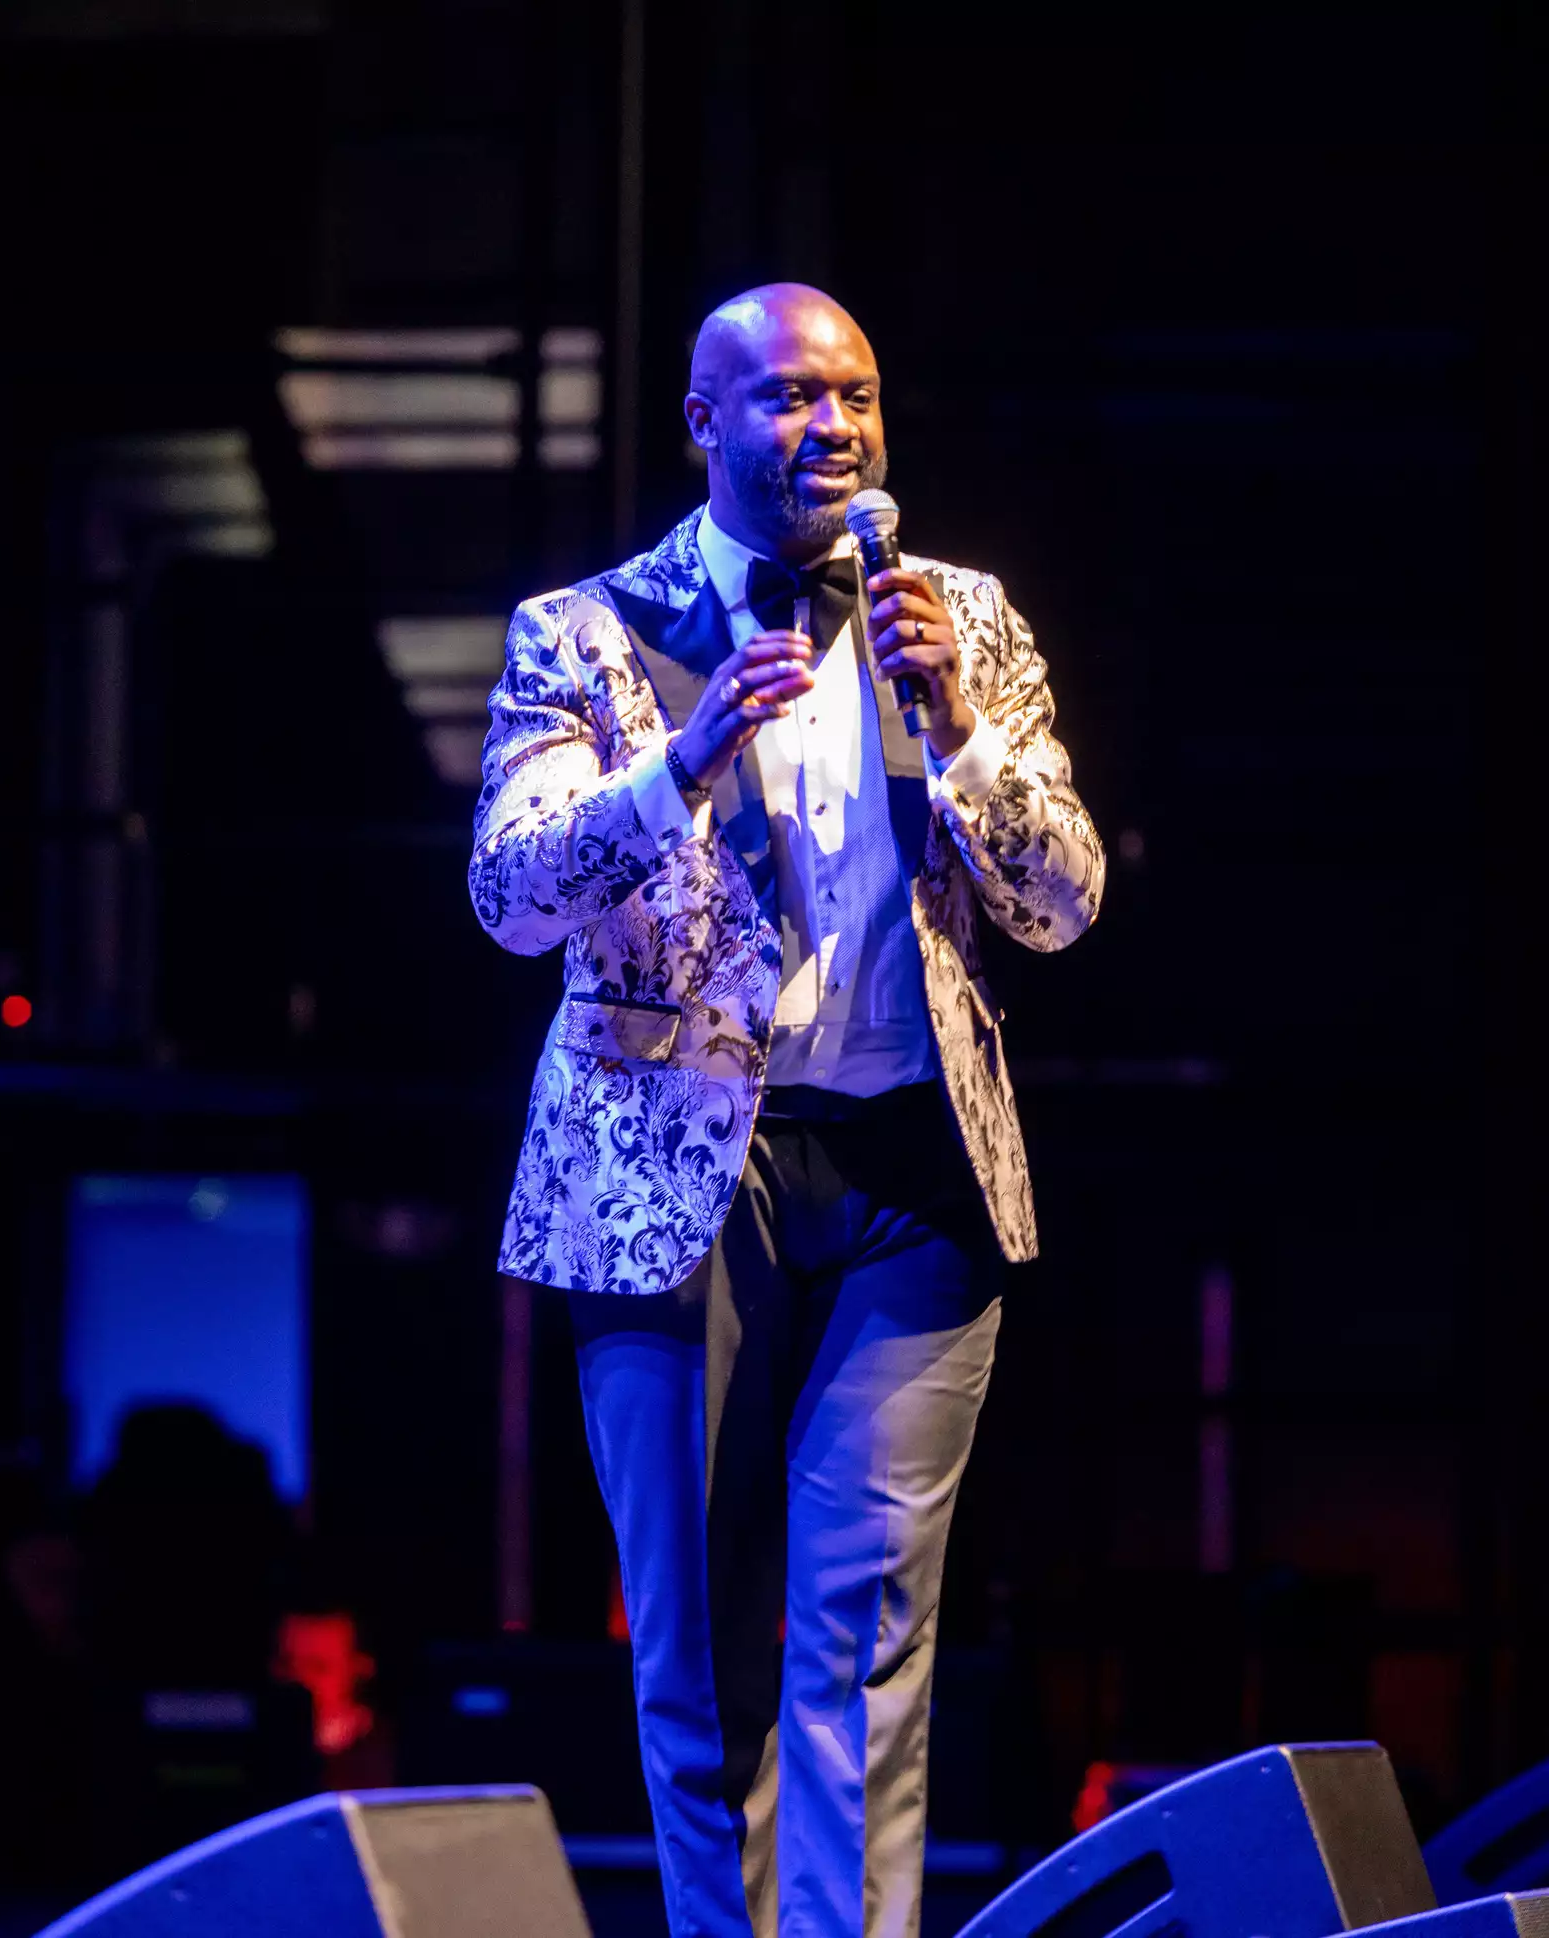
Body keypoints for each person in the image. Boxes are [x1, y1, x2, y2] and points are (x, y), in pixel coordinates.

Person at [470, 283, 1104, 1937]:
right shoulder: (591, 626)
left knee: (868, 1639)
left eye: (857, 396)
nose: (831, 426)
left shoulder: (957, 613)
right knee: (698, 1657)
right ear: (703, 420)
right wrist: (680, 759)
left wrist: (959, 723)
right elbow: (511, 896)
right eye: (788, 399)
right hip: (677, 1174)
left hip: (908, 1163)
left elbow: (1063, 902)